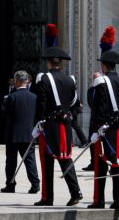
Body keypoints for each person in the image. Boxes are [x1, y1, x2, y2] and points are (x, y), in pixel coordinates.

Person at [32, 44, 82, 207]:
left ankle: (47, 197)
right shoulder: (69, 79)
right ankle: (76, 192)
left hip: (49, 125)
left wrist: (37, 123)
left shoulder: (44, 79)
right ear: (60, 63)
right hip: (65, 125)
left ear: (48, 63)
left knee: (47, 161)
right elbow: (74, 102)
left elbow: (41, 103)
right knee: (65, 158)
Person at [89, 49, 119, 210]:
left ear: (104, 66)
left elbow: (97, 109)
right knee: (117, 165)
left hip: (103, 131)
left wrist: (95, 131)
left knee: (101, 166)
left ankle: (99, 200)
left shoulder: (100, 82)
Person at [0, 70, 40, 194]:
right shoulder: (34, 97)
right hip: (29, 134)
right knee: (30, 160)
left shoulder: (11, 97)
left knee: (11, 161)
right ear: (27, 81)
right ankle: (35, 184)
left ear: (16, 81)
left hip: (13, 134)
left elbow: (5, 113)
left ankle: (10, 184)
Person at [82, 71, 102, 172]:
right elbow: (90, 103)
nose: (95, 80)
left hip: (102, 120)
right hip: (93, 120)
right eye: (94, 78)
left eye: (97, 78)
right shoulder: (90, 90)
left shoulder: (103, 89)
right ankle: (93, 162)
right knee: (92, 141)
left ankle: (102, 163)